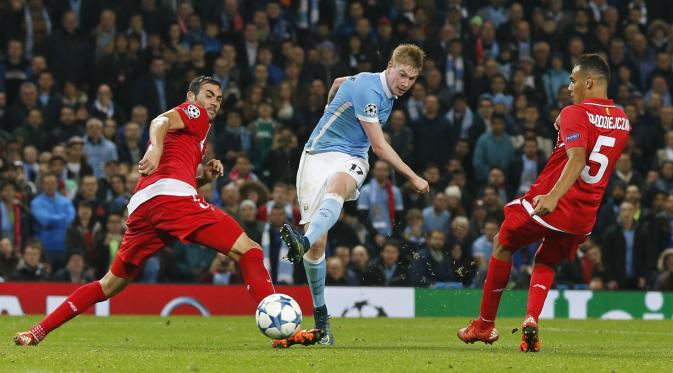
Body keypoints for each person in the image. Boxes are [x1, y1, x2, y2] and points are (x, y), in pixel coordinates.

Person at [14, 76, 277, 346]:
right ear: (191, 97)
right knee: (249, 250)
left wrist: (203, 179)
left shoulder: (196, 137)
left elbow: (171, 172)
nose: (214, 102)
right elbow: (159, 121)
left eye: (219, 99)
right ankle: (279, 327)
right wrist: (157, 147)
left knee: (107, 286)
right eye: (208, 95)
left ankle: (36, 332)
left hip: (145, 206)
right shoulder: (194, 113)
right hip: (171, 201)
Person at [457, 54, 630, 352]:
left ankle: (484, 326)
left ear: (589, 81)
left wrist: (553, 196)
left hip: (552, 203)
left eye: (574, 81)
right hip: (584, 217)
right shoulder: (622, 120)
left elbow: (577, 159)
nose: (570, 87)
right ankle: (531, 320)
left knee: (502, 243)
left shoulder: (575, 112)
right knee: (546, 260)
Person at [276, 44, 430, 348]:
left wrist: (328, 106)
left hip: (352, 157)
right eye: (402, 75)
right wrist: (413, 176)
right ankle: (321, 315)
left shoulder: (373, 86)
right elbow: (380, 147)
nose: (405, 83)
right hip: (316, 155)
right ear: (390, 66)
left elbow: (337, 83)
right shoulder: (368, 91)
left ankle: (301, 241)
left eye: (412, 79)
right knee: (319, 246)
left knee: (339, 186)